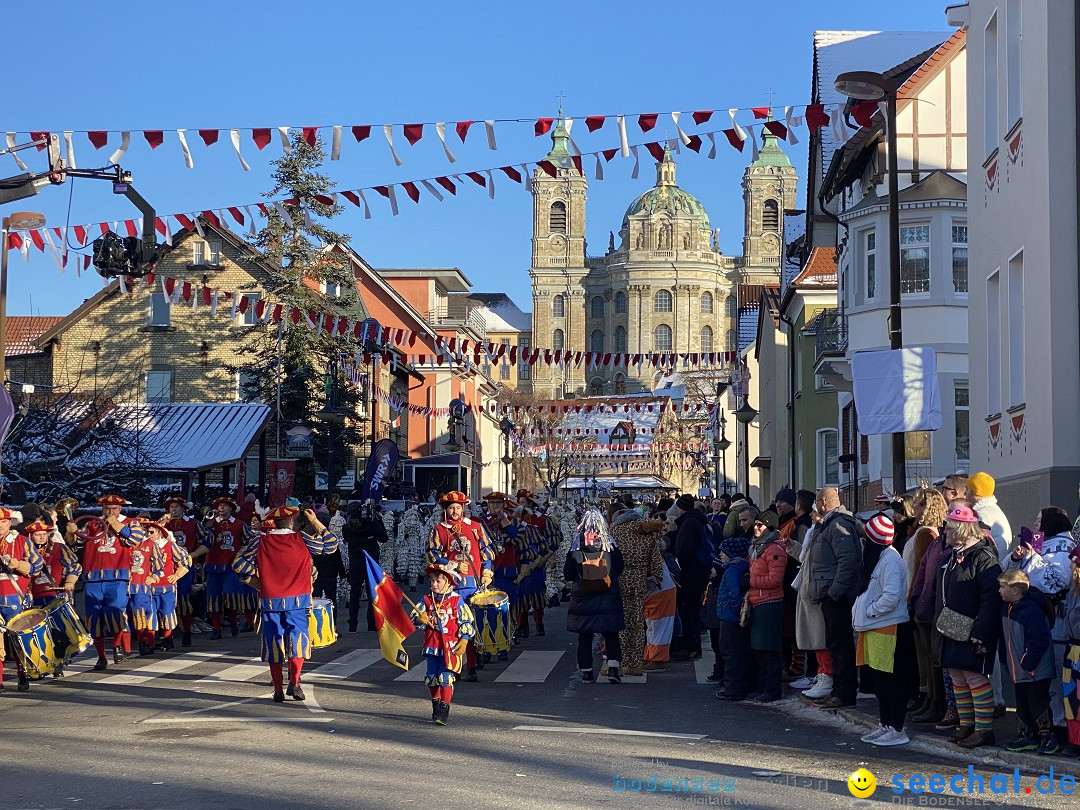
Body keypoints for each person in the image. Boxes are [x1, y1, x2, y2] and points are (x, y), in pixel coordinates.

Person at [231, 505, 338, 703]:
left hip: (270, 600)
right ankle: (294, 683)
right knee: (298, 641)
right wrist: (315, 522)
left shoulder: (260, 541)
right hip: (298, 601)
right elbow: (330, 546)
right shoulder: (302, 538)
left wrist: (257, 581)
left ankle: (278, 689)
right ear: (291, 522)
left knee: (274, 642)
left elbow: (238, 565)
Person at [935, 504, 1002, 749]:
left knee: (975, 678)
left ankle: (984, 730)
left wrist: (980, 633)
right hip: (953, 627)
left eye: (949, 529)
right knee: (957, 676)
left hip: (974, 630)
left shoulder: (984, 558)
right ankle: (967, 725)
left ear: (962, 529)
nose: (944, 533)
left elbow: (991, 599)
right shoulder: (953, 556)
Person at [853, 514, 916, 747]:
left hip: (889, 627)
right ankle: (885, 724)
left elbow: (891, 596)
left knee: (892, 680)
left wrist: (870, 611)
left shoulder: (890, 560)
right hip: (874, 628)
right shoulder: (879, 557)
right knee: (880, 681)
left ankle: (897, 728)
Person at [66, 494, 146, 670]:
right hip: (93, 578)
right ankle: (101, 656)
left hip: (117, 577)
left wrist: (115, 524)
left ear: (120, 509)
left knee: (115, 612)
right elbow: (76, 543)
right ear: (101, 509)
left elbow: (134, 540)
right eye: (106, 509)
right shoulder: (92, 523)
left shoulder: (131, 523)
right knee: (93, 618)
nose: (110, 512)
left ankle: (117, 644)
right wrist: (71, 532)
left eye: (114, 509)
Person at [426, 491, 494, 682]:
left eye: (458, 507)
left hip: (472, 586)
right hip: (449, 587)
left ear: (463, 508)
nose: (455, 511)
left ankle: (472, 665)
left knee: (470, 626)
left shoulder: (475, 527)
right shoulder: (438, 529)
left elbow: (486, 552)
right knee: (450, 628)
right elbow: (432, 555)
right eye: (451, 508)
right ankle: (454, 665)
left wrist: (487, 572)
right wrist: (452, 565)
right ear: (445, 509)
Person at [806, 488, 862, 709]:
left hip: (835, 596)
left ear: (822, 502)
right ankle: (838, 690)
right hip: (828, 592)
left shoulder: (838, 525)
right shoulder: (829, 524)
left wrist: (835, 592)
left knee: (841, 645)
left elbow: (848, 561)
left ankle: (845, 692)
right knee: (835, 644)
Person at [997, 568, 1058, 754]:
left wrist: (1027, 663)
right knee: (1022, 703)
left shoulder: (1031, 610)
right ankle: (1027, 736)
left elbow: (1039, 641)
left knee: (1038, 702)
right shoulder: (1007, 608)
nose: (999, 590)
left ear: (1015, 590)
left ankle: (1048, 738)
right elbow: (1004, 637)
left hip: (1033, 669)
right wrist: (1005, 659)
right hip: (1019, 669)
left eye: (1003, 586)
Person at [412, 557, 476, 725]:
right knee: (432, 678)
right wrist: (420, 618)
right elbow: (414, 618)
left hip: (450, 646)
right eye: (432, 581)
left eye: (438, 581)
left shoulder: (456, 600)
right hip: (432, 645)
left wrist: (464, 640)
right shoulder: (426, 600)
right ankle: (436, 703)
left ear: (447, 582)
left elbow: (466, 621)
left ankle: (444, 709)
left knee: (446, 678)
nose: (434, 584)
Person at [564, 510, 625, 683]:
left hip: (583, 595)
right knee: (611, 633)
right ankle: (613, 669)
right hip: (608, 594)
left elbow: (568, 573)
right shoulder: (608, 542)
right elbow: (620, 567)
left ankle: (586, 672)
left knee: (585, 635)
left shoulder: (576, 544)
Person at [905, 488, 949, 720]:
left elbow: (922, 572)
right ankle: (929, 698)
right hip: (918, 598)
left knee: (930, 655)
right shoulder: (922, 532)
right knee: (924, 655)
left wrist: (913, 597)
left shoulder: (927, 535)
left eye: (920, 504)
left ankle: (935, 700)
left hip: (923, 600)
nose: (915, 508)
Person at [611, 510, 664, 677]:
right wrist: (657, 578)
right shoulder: (646, 533)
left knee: (620, 623)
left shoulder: (615, 532)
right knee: (637, 623)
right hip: (640, 581)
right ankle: (635, 663)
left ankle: (621, 661)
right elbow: (655, 559)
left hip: (620, 580)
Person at [0, 508, 44, 690]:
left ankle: (22, 673)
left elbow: (38, 565)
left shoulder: (22, 541)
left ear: (10, 522)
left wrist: (18, 564)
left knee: (18, 638)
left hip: (15, 595)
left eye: (3, 522)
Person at [745, 511, 787, 702]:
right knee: (759, 649)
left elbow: (775, 579)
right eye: (755, 524)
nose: (755, 528)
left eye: (760, 525)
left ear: (769, 527)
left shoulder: (774, 548)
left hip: (770, 602)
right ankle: (763, 687)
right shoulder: (758, 547)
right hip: (757, 601)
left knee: (768, 649)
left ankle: (772, 689)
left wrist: (751, 580)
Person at [205, 496, 256, 639]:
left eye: (225, 506)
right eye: (219, 506)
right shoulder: (211, 523)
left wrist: (241, 556)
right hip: (212, 565)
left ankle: (233, 620)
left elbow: (250, 542)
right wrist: (208, 523)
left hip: (230, 566)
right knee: (213, 597)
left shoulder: (240, 524)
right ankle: (216, 628)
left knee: (231, 596)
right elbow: (203, 539)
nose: (221, 508)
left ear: (231, 509)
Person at [672, 493, 710, 660]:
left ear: (681, 508)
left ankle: (692, 648)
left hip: (690, 573)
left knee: (688, 610)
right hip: (700, 571)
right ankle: (693, 647)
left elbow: (684, 551)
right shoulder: (699, 520)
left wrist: (678, 564)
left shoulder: (688, 523)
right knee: (693, 610)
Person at [713, 534, 751, 701]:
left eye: (723, 551)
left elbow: (733, 594)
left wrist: (736, 612)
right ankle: (736, 685)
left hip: (729, 616)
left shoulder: (732, 570)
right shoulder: (740, 567)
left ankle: (732, 688)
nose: (720, 554)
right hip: (731, 615)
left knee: (729, 652)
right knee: (735, 652)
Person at [128, 519, 165, 657]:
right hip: (124, 584)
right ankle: (123, 647)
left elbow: (159, 567)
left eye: (145, 527)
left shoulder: (150, 544)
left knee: (142, 613)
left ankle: (145, 642)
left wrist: (154, 577)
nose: (142, 529)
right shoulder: (125, 542)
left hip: (141, 584)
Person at [967, 472, 1012, 562]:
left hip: (991, 563)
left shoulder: (983, 514)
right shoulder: (991, 509)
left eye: (967, 488)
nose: (965, 492)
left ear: (973, 491)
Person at [1061, 546, 1080, 750]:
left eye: (1073, 562)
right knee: (1071, 698)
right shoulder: (1073, 589)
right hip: (1072, 648)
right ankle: (1075, 740)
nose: (1069, 565)